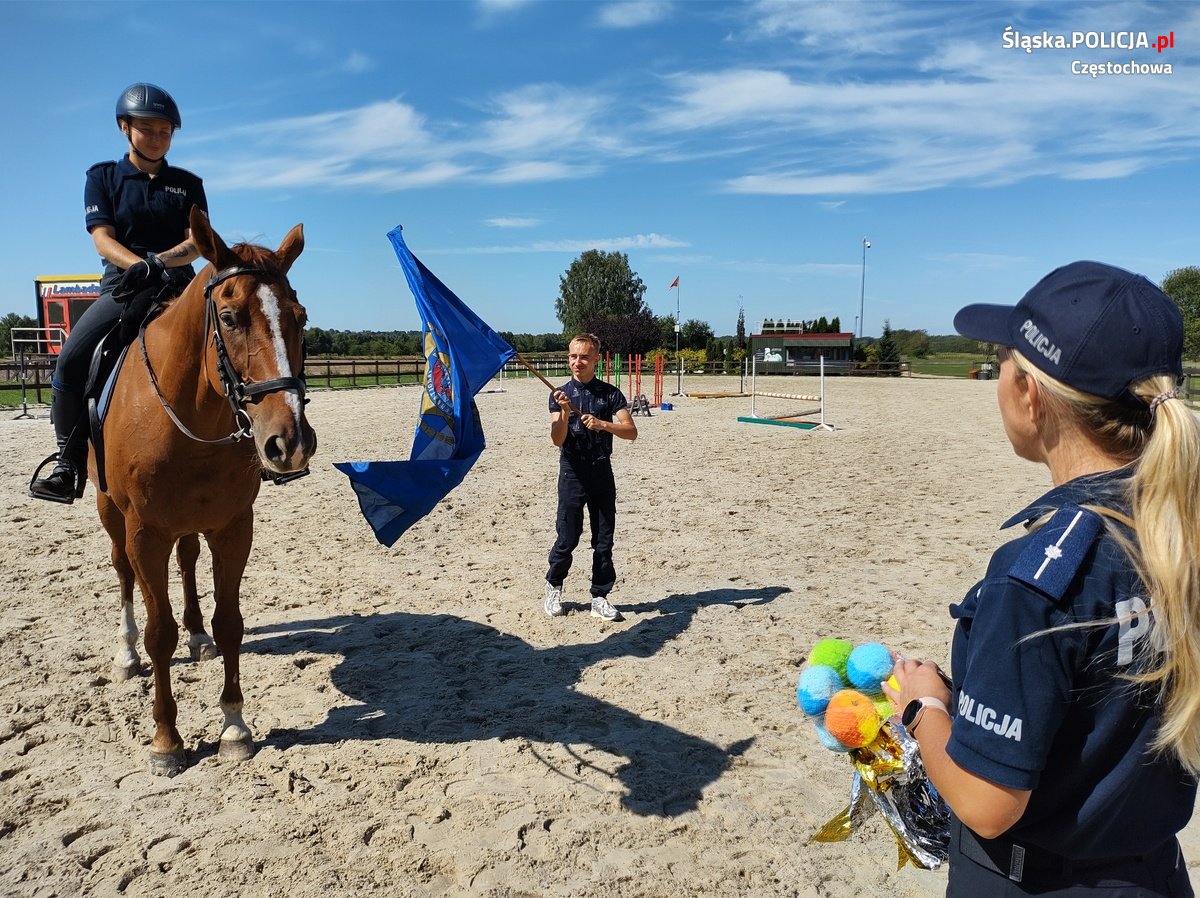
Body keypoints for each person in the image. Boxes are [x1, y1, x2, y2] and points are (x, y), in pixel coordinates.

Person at [883, 261, 1200, 897]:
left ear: (1031, 393)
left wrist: (924, 707)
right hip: (1154, 874)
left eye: (1003, 358)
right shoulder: (1176, 530)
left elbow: (988, 801)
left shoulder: (1037, 580)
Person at [29, 82, 207, 504]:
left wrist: (163, 261)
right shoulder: (103, 177)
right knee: (72, 359)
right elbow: (102, 238)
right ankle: (67, 462)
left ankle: (265, 446)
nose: (159, 138)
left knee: (240, 341)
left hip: (180, 282)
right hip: (124, 286)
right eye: (149, 129)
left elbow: (197, 242)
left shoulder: (187, 183)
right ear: (125, 128)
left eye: (166, 131)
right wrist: (139, 265)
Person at [544, 333, 638, 622]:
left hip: (601, 474)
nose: (577, 362)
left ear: (596, 359)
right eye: (573, 356)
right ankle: (554, 586)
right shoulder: (559, 394)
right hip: (572, 473)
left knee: (604, 540)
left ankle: (600, 596)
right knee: (568, 537)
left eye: (584, 357)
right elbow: (557, 440)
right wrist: (562, 412)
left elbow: (631, 432)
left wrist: (602, 424)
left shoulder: (610, 394)